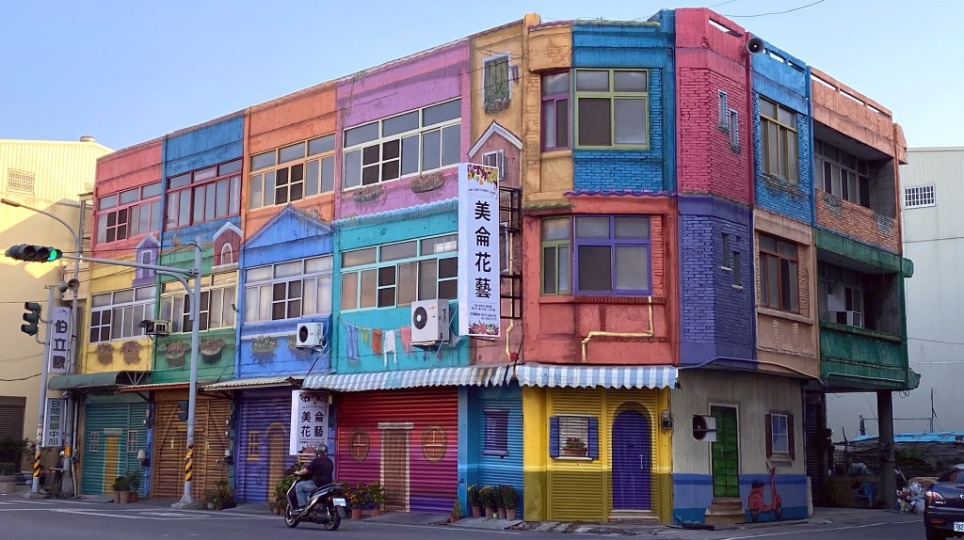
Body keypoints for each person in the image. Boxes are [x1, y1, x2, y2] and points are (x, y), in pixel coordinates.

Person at [294, 444, 334, 510]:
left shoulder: (316, 461)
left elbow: (306, 470)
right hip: (327, 485)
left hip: (317, 484)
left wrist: (297, 472)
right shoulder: (330, 461)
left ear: (317, 452)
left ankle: (302, 507)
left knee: (299, 486)